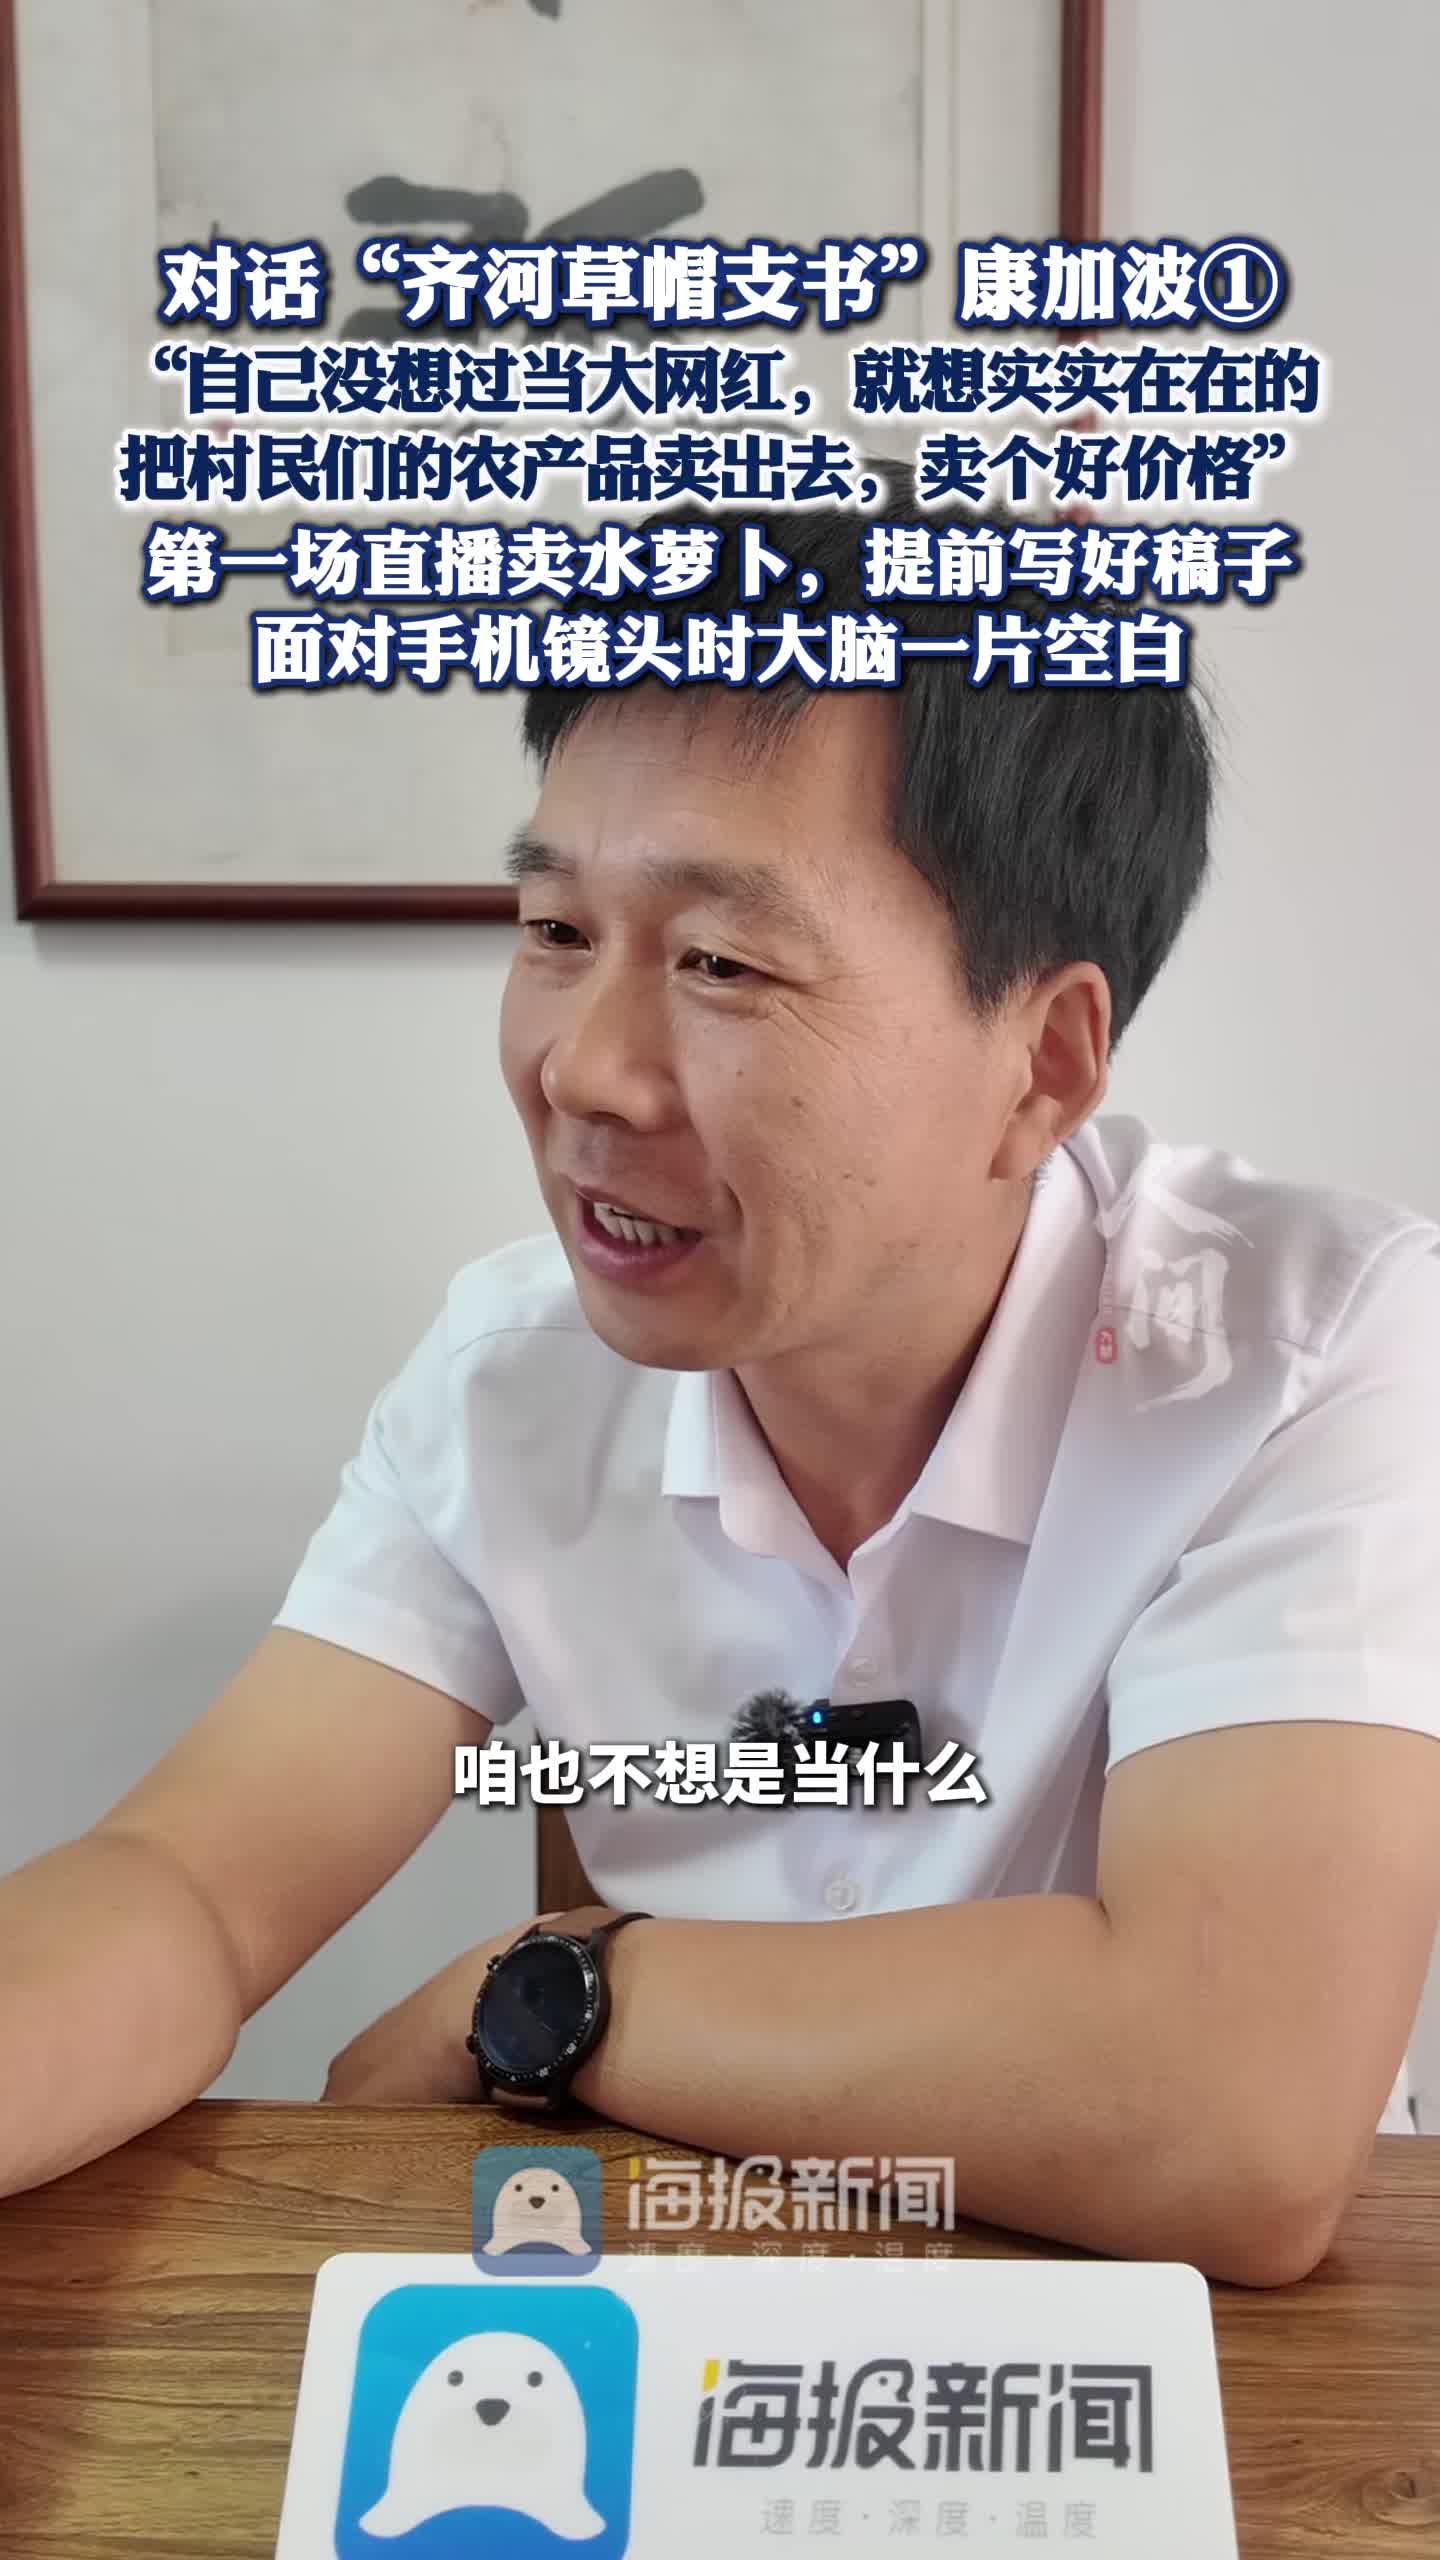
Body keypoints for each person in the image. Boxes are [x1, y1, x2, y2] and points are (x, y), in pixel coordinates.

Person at [3, 475, 1439, 2292]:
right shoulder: (512, 1382)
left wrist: (550, 1991)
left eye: (721, 962)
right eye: (554, 932)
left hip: (1185, 2364)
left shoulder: (1308, 1351)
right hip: (676, 2283)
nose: (583, 1072)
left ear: (1044, 1062)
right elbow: (190, 1886)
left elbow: (1229, 2111)